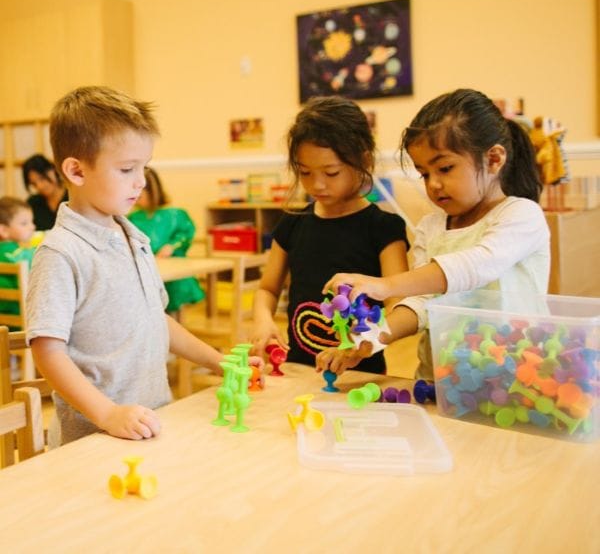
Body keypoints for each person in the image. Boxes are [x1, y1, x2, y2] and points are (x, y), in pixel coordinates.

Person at [26, 85, 263, 447]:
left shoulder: (133, 237)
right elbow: (47, 352)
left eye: (144, 167)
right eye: (126, 169)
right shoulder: (61, 253)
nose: (140, 181)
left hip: (150, 420)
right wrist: (107, 413)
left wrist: (220, 362)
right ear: (76, 171)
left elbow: (158, 318)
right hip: (94, 436)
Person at [322, 88, 550, 379]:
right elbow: (423, 301)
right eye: (424, 173)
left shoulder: (521, 215)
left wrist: (387, 285)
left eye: (445, 168)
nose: (434, 184)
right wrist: (373, 338)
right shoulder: (431, 227)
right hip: (445, 381)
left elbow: (476, 266)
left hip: (513, 378)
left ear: (493, 159)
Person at [251, 95, 409, 374]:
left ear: (364, 161)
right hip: (298, 369)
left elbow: (397, 305)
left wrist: (362, 342)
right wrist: (263, 319)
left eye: (331, 172)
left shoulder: (384, 227)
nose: (317, 184)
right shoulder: (293, 223)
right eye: (305, 172)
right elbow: (267, 288)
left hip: (361, 374)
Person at [128, 166, 205, 315]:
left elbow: (186, 233)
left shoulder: (174, 215)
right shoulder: (133, 218)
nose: (136, 197)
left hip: (172, 267)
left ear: (152, 192)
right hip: (147, 267)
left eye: (141, 193)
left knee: (172, 295)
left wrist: (171, 246)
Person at [0, 196, 36, 326]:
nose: (32, 227)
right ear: (4, 230)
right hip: (20, 320)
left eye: (32, 222)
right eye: (24, 223)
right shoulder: (18, 255)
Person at [22, 153, 68, 230]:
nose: (39, 186)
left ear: (53, 170)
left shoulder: (72, 197)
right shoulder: (33, 203)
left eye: (42, 178)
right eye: (34, 184)